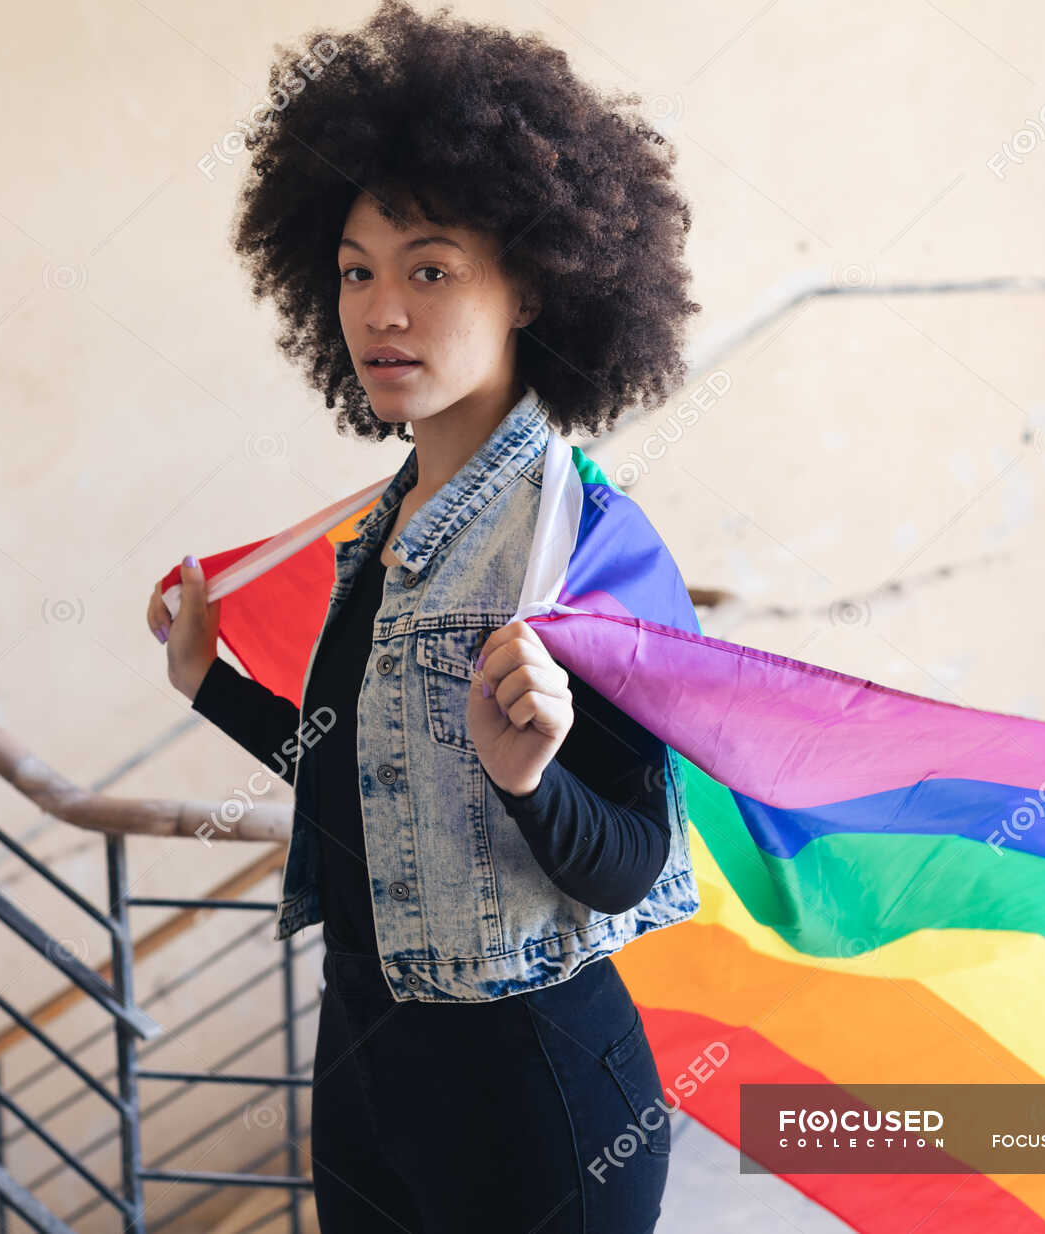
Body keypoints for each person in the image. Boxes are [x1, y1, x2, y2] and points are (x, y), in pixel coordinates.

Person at [145, 3, 701, 1228]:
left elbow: (634, 860)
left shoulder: (582, 545)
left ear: (535, 289)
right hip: (360, 1073)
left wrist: (532, 780)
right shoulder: (375, 536)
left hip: (536, 1099)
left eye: (430, 268)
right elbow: (348, 771)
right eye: (355, 270)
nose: (381, 309)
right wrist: (211, 685)